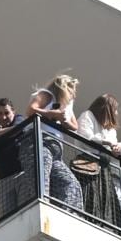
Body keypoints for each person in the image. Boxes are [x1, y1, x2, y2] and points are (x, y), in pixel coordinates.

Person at [25, 75, 84, 210]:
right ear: (64, 88)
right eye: (71, 91)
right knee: (42, 178)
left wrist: (64, 121)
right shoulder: (47, 95)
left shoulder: (66, 104)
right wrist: (52, 113)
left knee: (71, 183)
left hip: (55, 150)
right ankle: (42, 208)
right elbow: (30, 110)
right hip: (40, 142)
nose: (73, 95)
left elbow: (75, 126)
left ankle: (69, 213)